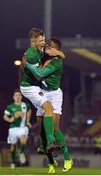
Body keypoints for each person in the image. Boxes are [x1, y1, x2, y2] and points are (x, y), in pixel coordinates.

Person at [25, 37, 73, 173]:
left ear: (56, 49)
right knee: (42, 130)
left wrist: (26, 64)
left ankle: (68, 159)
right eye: (46, 45)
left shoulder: (57, 62)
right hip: (42, 93)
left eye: (49, 46)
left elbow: (40, 74)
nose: (46, 47)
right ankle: (51, 163)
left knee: (55, 129)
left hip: (54, 95)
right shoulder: (42, 58)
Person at [20, 28, 64, 153]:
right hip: (28, 87)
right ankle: (49, 142)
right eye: (41, 40)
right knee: (49, 108)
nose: (44, 42)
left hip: (36, 87)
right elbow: (38, 75)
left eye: (44, 39)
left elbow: (60, 55)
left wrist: (60, 54)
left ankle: (43, 144)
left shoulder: (39, 50)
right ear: (33, 40)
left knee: (42, 115)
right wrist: (28, 65)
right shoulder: (32, 55)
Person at [3, 89, 32, 169]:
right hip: (13, 128)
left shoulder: (25, 105)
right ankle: (13, 162)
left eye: (19, 95)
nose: (17, 97)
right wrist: (9, 119)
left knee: (23, 139)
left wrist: (28, 121)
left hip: (23, 127)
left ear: (21, 97)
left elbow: (29, 111)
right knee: (13, 146)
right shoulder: (10, 106)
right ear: (13, 97)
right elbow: (5, 116)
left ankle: (21, 152)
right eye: (16, 95)